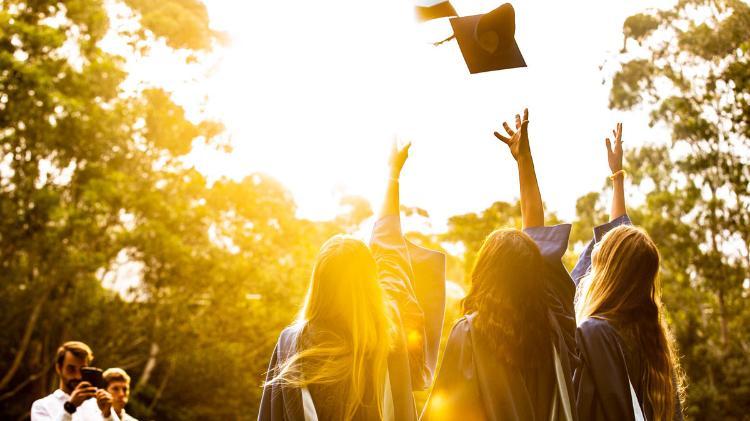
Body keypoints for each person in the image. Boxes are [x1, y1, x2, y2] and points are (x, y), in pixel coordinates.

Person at [258, 142, 446, 420]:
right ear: (370, 285)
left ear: (319, 283)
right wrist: (392, 176)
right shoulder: (390, 342)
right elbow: (390, 251)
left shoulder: (291, 346)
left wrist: (391, 175)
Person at [422, 108, 577, 421]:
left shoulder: (470, 335)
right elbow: (536, 234)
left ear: (484, 273)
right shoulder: (557, 330)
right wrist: (524, 162)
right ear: (535, 276)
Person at [572, 123, 685, 420]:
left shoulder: (591, 336)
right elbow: (625, 246)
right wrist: (617, 177)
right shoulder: (656, 347)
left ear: (606, 273)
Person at [31, 341, 119, 421]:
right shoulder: (41, 406)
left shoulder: (98, 404)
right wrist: (69, 408)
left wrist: (108, 415)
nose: (78, 376)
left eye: (82, 369)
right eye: (71, 369)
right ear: (59, 368)